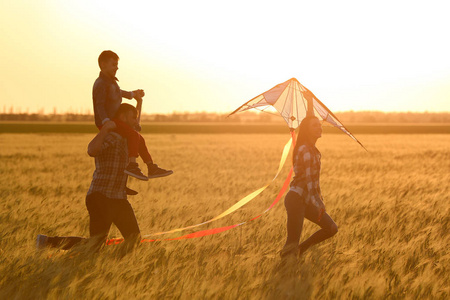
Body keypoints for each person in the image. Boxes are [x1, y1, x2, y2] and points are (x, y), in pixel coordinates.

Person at [36, 104, 146, 252]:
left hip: (119, 198)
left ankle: (114, 266)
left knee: (134, 240)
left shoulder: (129, 139)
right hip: (101, 197)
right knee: (95, 245)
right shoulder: (113, 136)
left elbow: (135, 128)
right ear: (122, 117)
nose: (136, 121)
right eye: (133, 118)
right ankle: (48, 241)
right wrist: (106, 128)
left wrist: (139, 101)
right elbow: (92, 150)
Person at [93, 50, 172, 181]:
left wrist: (132, 94)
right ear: (103, 64)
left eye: (117, 64)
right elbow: (99, 105)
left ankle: (151, 167)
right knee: (133, 135)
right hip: (109, 121)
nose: (116, 67)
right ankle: (132, 165)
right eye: (113, 64)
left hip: (114, 120)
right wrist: (106, 121)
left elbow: (118, 92)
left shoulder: (111, 82)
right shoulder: (101, 83)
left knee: (139, 138)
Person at [280, 116, 338, 257]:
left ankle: (299, 251)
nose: (319, 127)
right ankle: (285, 267)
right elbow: (309, 182)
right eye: (314, 126)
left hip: (306, 200)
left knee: (331, 228)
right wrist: (318, 203)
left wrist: (310, 100)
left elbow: (314, 182)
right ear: (307, 130)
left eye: (319, 125)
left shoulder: (312, 149)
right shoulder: (305, 150)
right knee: (292, 242)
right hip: (296, 200)